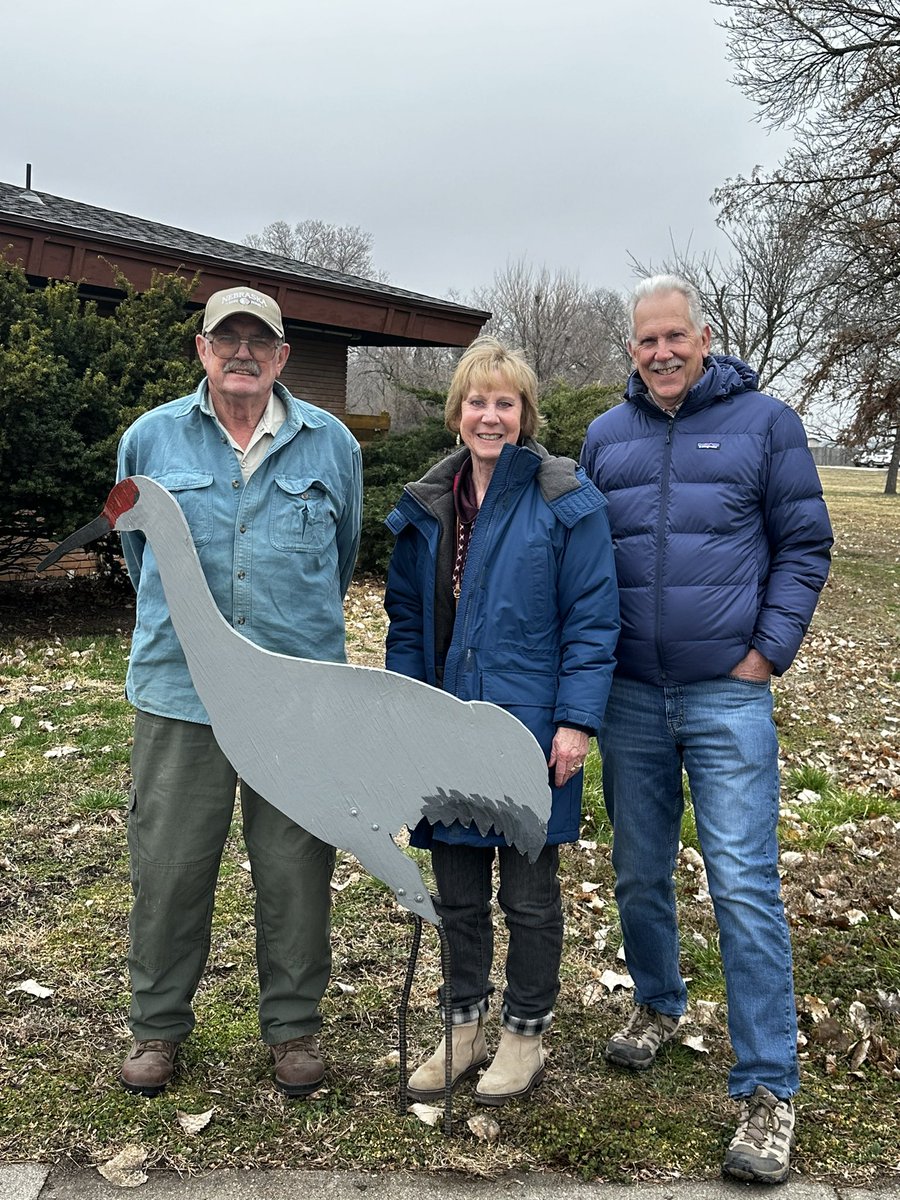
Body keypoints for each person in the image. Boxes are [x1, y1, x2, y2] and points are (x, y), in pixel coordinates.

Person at [580, 275, 833, 1183]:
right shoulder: (606, 438)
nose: (661, 353)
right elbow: (582, 556)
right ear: (634, 349)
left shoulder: (766, 423)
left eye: (674, 336)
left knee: (741, 882)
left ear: (705, 335)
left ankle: (768, 1089)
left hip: (728, 696)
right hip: (631, 697)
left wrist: (766, 652)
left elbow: (806, 544)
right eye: (646, 341)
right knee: (639, 872)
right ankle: (658, 1003)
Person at [116, 286, 362, 1097]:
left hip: (297, 701)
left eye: (261, 341)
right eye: (229, 340)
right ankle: (157, 1030)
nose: (243, 354)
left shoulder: (332, 446)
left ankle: (292, 1030)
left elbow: (344, 554)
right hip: (181, 697)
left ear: (283, 357)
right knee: (171, 867)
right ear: (202, 350)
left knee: (294, 869)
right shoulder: (149, 440)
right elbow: (137, 560)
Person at [384, 336, 619, 1106]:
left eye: (505, 403)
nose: (490, 416)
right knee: (456, 893)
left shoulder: (562, 500)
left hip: (527, 733)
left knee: (527, 897)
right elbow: (408, 624)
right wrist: (408, 722)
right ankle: (463, 1027)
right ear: (457, 414)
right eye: (477, 402)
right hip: (448, 734)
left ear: (525, 415)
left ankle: (523, 1033)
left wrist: (576, 723)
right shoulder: (426, 506)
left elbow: (592, 619)